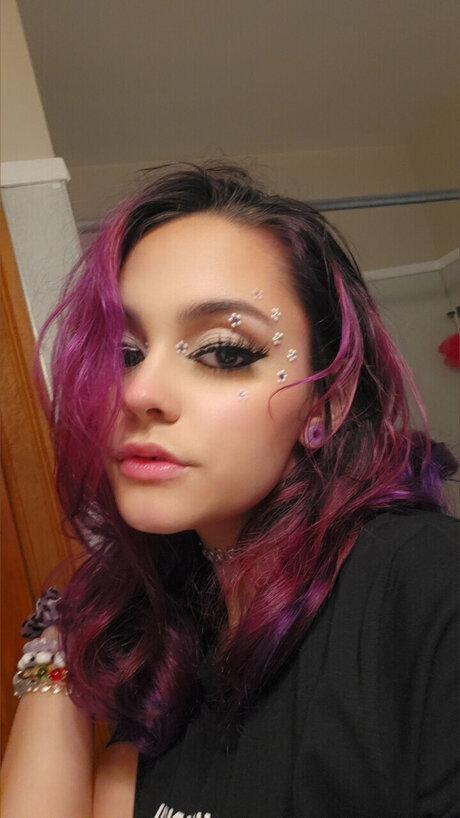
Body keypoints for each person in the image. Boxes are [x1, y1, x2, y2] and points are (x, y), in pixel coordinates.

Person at [1, 163, 458, 818]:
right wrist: (62, 637)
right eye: (124, 353)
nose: (137, 392)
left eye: (222, 351)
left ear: (325, 403)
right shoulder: (168, 640)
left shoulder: (427, 583)